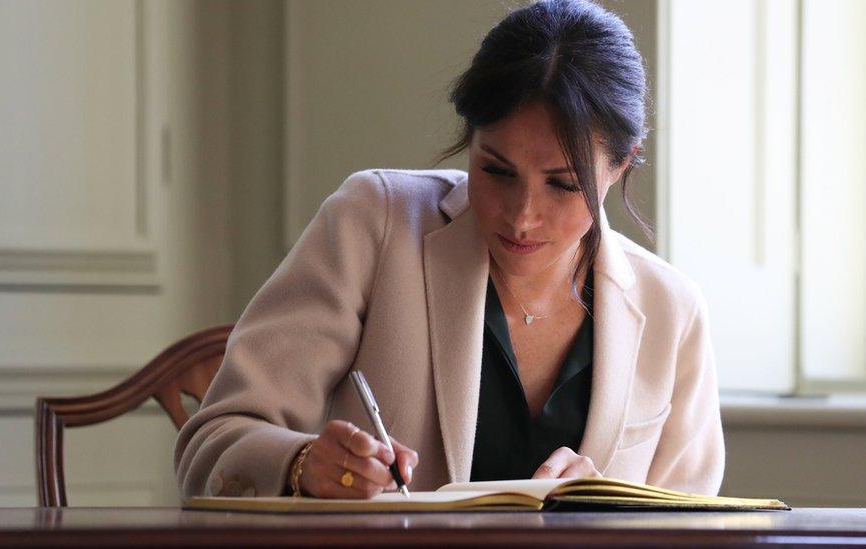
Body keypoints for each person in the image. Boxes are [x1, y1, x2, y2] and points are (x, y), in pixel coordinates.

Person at [175, 0, 724, 501]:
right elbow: (214, 439)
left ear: (622, 163)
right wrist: (301, 464)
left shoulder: (671, 309)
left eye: (561, 183)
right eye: (496, 171)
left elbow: (692, 524)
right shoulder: (375, 222)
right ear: (471, 138)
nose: (522, 215)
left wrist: (602, 513)